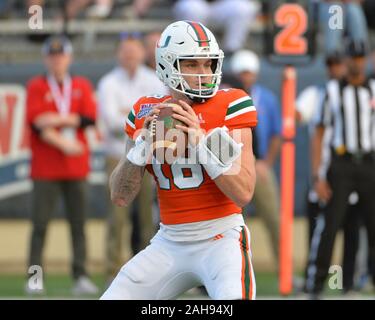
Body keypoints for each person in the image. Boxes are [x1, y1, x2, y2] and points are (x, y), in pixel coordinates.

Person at [101, 20, 258, 300]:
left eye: (208, 64)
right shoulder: (145, 112)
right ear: (167, 65)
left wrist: (201, 143)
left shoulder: (231, 104)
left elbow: (244, 192)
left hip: (221, 239)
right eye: (192, 65)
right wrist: (139, 151)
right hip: (169, 241)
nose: (204, 73)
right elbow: (120, 195)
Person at [25, 35, 98, 295]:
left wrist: (55, 119)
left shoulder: (81, 84)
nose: (57, 61)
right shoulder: (37, 86)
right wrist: (66, 137)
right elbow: (36, 123)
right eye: (52, 56)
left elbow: (88, 118)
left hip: (76, 168)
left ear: (69, 58)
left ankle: (80, 276)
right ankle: (34, 277)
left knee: (78, 224)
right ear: (46, 58)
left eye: (61, 56)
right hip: (46, 168)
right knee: (40, 225)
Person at [305, 40, 375, 298]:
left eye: (360, 57)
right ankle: (315, 285)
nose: (356, 62)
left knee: (372, 224)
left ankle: (357, 281)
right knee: (330, 225)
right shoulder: (332, 90)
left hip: (369, 162)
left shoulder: (373, 89)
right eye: (352, 57)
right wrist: (317, 175)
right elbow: (319, 133)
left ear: (365, 59)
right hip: (341, 164)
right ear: (346, 60)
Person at [97, 32, 168, 283]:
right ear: (118, 54)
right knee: (117, 216)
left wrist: (128, 115)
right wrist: (139, 120)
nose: (129, 56)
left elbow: (162, 118)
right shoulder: (108, 83)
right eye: (125, 51)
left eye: (133, 51)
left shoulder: (154, 81)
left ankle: (146, 271)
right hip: (118, 155)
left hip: (149, 157)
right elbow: (111, 122)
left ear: (142, 53)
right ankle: (112, 272)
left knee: (146, 216)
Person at [230, 50, 281, 272]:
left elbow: (277, 133)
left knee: (274, 219)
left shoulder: (266, 98)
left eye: (249, 73)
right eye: (242, 73)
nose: (245, 77)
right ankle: (235, 271)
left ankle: (284, 270)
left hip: (258, 166)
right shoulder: (226, 98)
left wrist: (266, 162)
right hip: (234, 166)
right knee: (233, 223)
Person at [173, 0, 260, 55]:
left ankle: (231, 52)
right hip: (195, 4)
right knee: (191, 7)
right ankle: (193, 52)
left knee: (243, 7)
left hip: (221, 5)